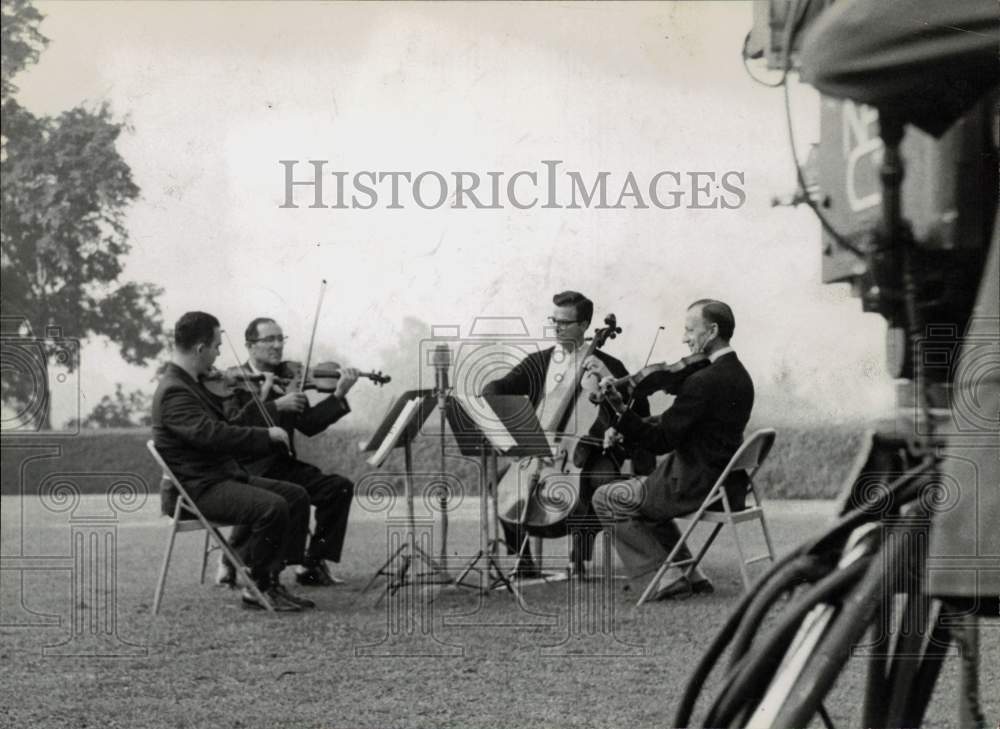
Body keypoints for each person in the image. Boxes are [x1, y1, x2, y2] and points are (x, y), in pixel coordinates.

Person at [152, 311, 314, 611]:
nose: (219, 353)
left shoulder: (195, 383)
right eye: (216, 346)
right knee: (273, 506)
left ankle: (271, 579)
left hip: (219, 477)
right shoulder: (175, 390)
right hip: (197, 490)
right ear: (200, 348)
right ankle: (258, 588)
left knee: (295, 495)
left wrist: (262, 398)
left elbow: (229, 420)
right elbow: (213, 435)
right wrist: (266, 435)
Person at [482, 290, 651, 578]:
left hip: (592, 450)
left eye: (565, 322)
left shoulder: (606, 363)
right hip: (542, 448)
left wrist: (608, 377)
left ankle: (579, 557)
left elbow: (641, 408)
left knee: (601, 482)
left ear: (584, 325)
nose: (557, 327)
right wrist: (511, 425)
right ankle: (524, 561)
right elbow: (495, 389)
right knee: (500, 484)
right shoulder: (538, 362)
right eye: (554, 320)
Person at [592, 299, 754, 599]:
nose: (684, 338)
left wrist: (618, 409)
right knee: (645, 498)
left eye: (690, 330)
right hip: (725, 485)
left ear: (713, 330)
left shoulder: (703, 382)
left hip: (691, 484)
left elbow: (661, 441)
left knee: (606, 497)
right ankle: (691, 572)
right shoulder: (741, 376)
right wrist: (632, 423)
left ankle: (662, 579)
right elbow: (680, 424)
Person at [219, 317, 358, 588]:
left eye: (280, 339)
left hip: (284, 465)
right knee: (295, 495)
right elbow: (232, 429)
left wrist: (338, 395)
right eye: (268, 339)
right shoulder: (232, 382)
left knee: (339, 488)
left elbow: (309, 425)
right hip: (249, 469)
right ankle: (258, 567)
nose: (276, 345)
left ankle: (311, 564)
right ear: (249, 345)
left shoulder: (291, 379)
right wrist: (275, 406)